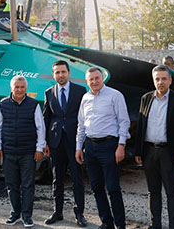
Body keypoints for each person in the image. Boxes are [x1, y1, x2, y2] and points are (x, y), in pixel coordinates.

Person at [75, 67, 130, 229]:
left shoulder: (115, 95)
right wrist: (79, 147)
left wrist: (121, 145)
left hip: (109, 146)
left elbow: (124, 121)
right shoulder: (85, 98)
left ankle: (120, 225)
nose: (94, 82)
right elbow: (81, 125)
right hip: (90, 147)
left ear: (102, 78)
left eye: (97, 78)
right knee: (96, 187)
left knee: (113, 188)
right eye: (91, 79)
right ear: (87, 81)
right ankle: (107, 222)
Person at [134, 66, 174, 229]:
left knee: (172, 193)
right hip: (149, 151)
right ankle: (154, 224)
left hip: (168, 153)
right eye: (157, 79)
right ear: (153, 80)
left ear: (170, 80)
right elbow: (141, 125)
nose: (160, 82)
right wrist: (138, 151)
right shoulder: (146, 98)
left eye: (164, 78)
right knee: (153, 191)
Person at [0, 75, 46, 227]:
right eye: (17, 87)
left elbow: (40, 128)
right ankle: (15, 213)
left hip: (27, 153)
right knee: (11, 185)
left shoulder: (33, 104)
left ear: (26, 88)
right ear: (11, 88)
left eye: (22, 87)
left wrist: (39, 148)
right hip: (8, 152)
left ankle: (27, 216)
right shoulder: (3, 104)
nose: (19, 90)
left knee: (28, 185)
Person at [42, 60, 89, 227]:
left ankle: (79, 214)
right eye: (57, 72)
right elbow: (46, 119)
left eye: (63, 72)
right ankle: (58, 211)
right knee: (57, 178)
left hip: (74, 141)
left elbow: (84, 118)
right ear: (53, 74)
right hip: (55, 142)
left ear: (69, 73)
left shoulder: (80, 91)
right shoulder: (49, 92)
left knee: (77, 178)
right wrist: (45, 142)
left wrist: (82, 143)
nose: (60, 75)